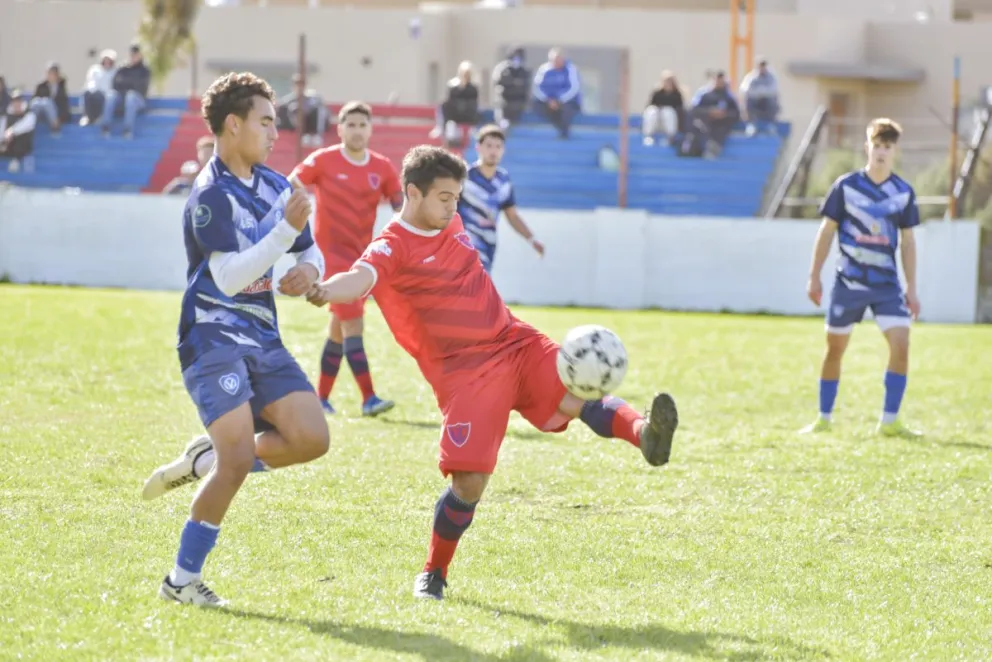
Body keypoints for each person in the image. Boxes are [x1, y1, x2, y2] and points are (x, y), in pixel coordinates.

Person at [304, 145, 679, 601]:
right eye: (444, 197)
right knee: (470, 482)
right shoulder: (391, 245)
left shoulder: (452, 221)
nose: (453, 207)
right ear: (412, 193)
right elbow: (360, 278)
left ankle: (646, 436)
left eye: (457, 198)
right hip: (466, 375)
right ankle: (433, 574)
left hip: (514, 341)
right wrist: (325, 289)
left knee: (573, 393)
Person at [140, 72, 330, 607]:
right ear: (233, 124)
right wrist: (284, 236)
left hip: (262, 335)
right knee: (239, 462)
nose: (276, 132)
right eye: (266, 121)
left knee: (312, 438)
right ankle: (181, 582)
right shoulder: (209, 195)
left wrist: (309, 273)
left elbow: (309, 251)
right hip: (211, 335)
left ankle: (207, 459)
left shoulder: (275, 185)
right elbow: (227, 277)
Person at [801, 118, 922, 438]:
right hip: (849, 282)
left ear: (895, 151)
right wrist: (814, 276)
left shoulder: (903, 192)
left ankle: (890, 420)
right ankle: (824, 418)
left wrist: (912, 288)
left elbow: (908, 243)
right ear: (867, 147)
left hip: (886, 285)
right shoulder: (845, 187)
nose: (881, 152)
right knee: (835, 348)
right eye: (877, 145)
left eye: (888, 146)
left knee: (901, 342)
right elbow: (826, 232)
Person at [290, 101, 403, 417]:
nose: (356, 130)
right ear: (339, 129)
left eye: (362, 125)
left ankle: (320, 399)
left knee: (338, 329)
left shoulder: (381, 167)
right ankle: (369, 399)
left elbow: (400, 205)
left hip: (362, 260)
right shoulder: (324, 160)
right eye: (350, 125)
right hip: (330, 260)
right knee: (353, 323)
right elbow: (293, 181)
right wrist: (298, 209)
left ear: (370, 129)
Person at [458, 124, 544, 272]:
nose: (493, 151)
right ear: (478, 147)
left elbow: (512, 216)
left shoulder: (504, 181)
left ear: (503, 150)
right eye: (489, 145)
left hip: (489, 244)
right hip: (463, 242)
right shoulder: (464, 177)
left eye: (498, 146)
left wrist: (532, 239)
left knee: (479, 288)